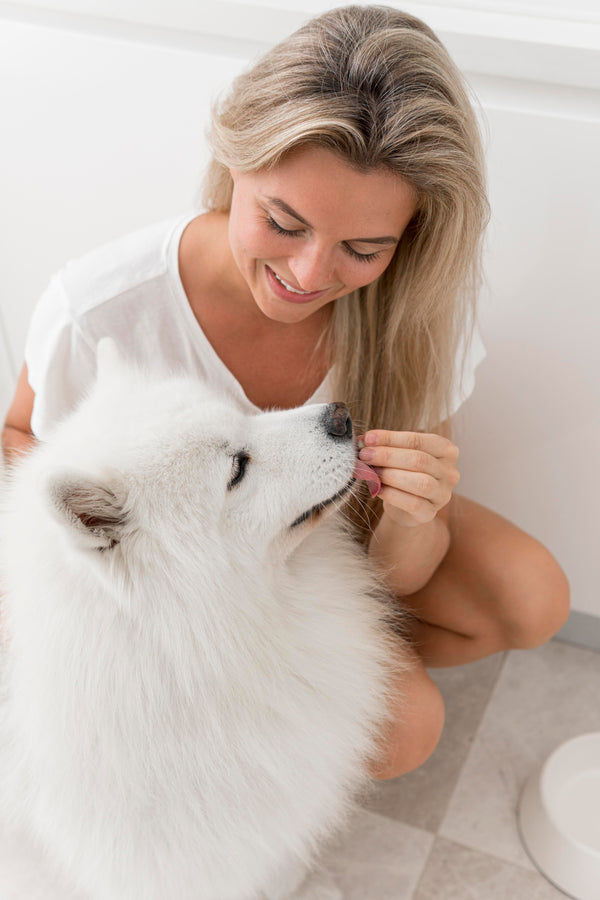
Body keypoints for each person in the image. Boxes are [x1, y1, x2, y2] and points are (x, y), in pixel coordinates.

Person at [1, 5, 569, 779]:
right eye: (283, 220)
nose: (309, 277)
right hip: (191, 585)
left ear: (410, 240)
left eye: (364, 249)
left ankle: (281, 707)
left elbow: (400, 572)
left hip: (327, 550)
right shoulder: (100, 308)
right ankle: (247, 709)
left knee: (532, 598)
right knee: (405, 727)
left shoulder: (415, 318)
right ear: (235, 158)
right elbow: (24, 457)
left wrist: (409, 516)